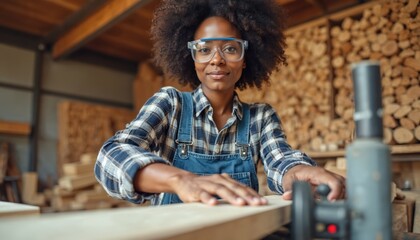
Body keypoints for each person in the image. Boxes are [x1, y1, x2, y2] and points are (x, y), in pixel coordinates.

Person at [94, 0, 345, 206]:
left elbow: (281, 161)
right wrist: (179, 180)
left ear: (245, 58)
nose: (217, 60)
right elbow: (111, 157)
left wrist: (297, 173)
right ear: (191, 58)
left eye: (230, 49)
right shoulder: (170, 104)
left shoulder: (260, 117)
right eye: (204, 50)